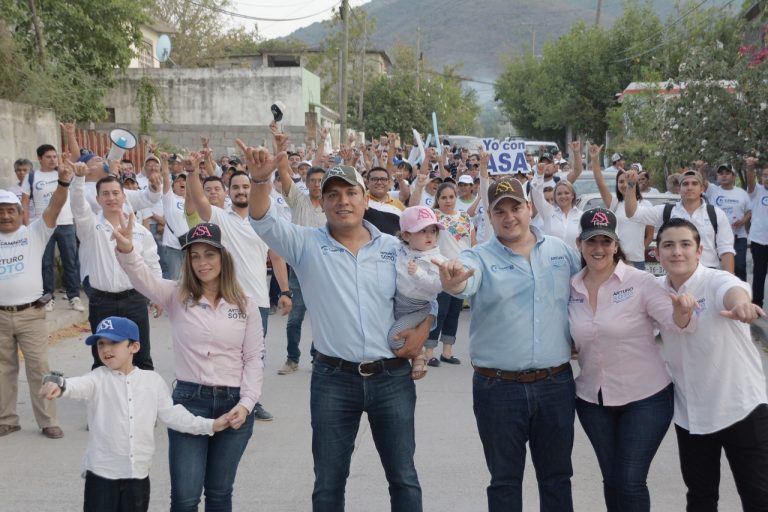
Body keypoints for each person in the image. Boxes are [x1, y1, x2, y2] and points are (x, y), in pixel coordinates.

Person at [246, 147, 432, 511]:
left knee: (404, 479)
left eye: (350, 193)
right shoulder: (305, 245)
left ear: (365, 200)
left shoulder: (394, 248)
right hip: (334, 379)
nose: (342, 201)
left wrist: (423, 331)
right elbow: (263, 219)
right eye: (333, 194)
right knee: (329, 483)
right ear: (323, 202)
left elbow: (425, 295)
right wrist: (259, 180)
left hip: (391, 379)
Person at [436, 177, 581, 512]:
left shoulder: (562, 253)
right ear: (489, 215)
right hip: (498, 389)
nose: (509, 216)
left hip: (555, 384)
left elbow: (585, 296)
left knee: (557, 478)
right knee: (504, 481)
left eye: (515, 207)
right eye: (499, 210)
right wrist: (454, 282)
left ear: (529, 208)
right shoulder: (478, 256)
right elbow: (464, 281)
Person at [113, 220, 264, 512]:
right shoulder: (176, 295)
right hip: (188, 403)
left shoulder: (246, 304)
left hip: (234, 405)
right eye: (194, 256)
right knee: (185, 498)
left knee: (220, 494)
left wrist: (246, 404)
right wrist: (127, 248)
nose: (201, 262)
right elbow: (141, 276)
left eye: (209, 254)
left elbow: (253, 359)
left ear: (223, 256)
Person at [569, 207, 692, 511]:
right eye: (591, 242)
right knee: (611, 479)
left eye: (605, 242)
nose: (598, 249)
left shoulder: (640, 282)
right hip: (591, 400)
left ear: (616, 245)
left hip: (645, 399)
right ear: (579, 245)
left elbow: (675, 322)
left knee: (629, 479)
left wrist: (682, 312)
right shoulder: (570, 286)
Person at [39, 316, 230, 512]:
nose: (105, 349)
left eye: (114, 342)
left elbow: (172, 414)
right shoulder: (97, 379)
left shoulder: (152, 381)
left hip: (137, 475)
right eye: (101, 343)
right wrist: (58, 383)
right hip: (101, 475)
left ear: (134, 347)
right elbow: (75, 385)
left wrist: (209, 425)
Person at [654, 218, 768, 512]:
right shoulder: (655, 290)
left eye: (685, 245)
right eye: (668, 245)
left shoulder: (715, 280)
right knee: (701, 498)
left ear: (700, 250)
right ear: (657, 253)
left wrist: (742, 304)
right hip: (691, 415)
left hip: (741, 407)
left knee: (758, 496)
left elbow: (735, 289)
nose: (677, 252)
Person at [185, 155, 288, 421]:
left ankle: (252, 401)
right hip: (225, 299)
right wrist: (191, 171)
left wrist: (285, 292)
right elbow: (198, 199)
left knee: (255, 355)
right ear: (229, 192)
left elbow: (276, 258)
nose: (242, 191)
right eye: (236, 188)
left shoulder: (265, 221)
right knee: (226, 353)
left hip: (259, 302)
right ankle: (225, 399)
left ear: (252, 190)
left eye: (246, 187)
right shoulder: (220, 217)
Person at [0, 165, 71, 439]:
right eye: (1, 211)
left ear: (21, 213)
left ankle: (47, 420)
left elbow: (53, 208)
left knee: (39, 367)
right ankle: (7, 419)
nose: (5, 216)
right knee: (3, 370)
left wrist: (63, 183)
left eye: (11, 211)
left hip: (31, 314)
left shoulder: (34, 233)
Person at [69, 161, 161, 371]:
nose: (111, 198)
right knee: (103, 357)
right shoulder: (91, 227)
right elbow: (78, 206)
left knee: (141, 355)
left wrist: (157, 296)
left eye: (115, 193)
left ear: (123, 196)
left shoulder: (140, 231)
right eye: (106, 194)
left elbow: (152, 264)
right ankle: (105, 401)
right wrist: (79, 178)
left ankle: (144, 402)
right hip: (103, 301)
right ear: (98, 199)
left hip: (134, 300)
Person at [625, 169, 735, 272]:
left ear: (702, 189)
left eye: (694, 183)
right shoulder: (667, 211)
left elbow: (726, 249)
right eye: (685, 184)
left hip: (709, 275)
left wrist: (729, 281)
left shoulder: (716, 214)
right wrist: (631, 185)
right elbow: (633, 214)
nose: (690, 187)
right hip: (677, 277)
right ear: (679, 189)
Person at [414, 181, 473, 367]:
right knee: (440, 311)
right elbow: (413, 208)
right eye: (443, 197)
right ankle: (429, 351)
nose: (448, 201)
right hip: (441, 271)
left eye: (451, 197)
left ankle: (447, 351)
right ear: (437, 199)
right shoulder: (433, 218)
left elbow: (472, 243)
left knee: (454, 312)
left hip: (461, 271)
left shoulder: (464, 217)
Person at [21, 143, 83, 312]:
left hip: (66, 223)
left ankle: (74, 296)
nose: (52, 160)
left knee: (70, 261)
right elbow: (25, 202)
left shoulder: (63, 172)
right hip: (43, 226)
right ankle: (48, 296)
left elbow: (77, 159)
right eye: (48, 157)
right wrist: (26, 225)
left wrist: (70, 140)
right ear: (40, 158)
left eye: (54, 156)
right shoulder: (32, 177)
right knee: (45, 262)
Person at [388, 206, 447, 378]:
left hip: (418, 307)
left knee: (394, 338)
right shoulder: (400, 248)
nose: (429, 235)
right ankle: (416, 355)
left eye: (433, 231)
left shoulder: (437, 259)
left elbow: (438, 286)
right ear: (406, 235)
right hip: (399, 303)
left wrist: (419, 274)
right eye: (422, 231)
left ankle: (419, 355)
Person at [590, 144, 654, 270]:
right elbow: (601, 183)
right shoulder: (614, 203)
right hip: (615, 261)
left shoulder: (646, 205)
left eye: (627, 180)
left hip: (637, 262)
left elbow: (649, 235)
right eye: (620, 182)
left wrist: (638, 250)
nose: (624, 185)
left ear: (634, 181)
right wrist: (594, 159)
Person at [703, 163, 751, 281]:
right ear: (717, 177)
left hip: (739, 236)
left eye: (727, 173)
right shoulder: (712, 190)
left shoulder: (741, 193)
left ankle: (741, 293)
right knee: (719, 269)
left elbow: (749, 211)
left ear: (733, 176)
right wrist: (701, 169)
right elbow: (701, 180)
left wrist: (743, 220)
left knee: (740, 266)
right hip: (717, 237)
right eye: (721, 174)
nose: (724, 176)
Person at [747, 157, 768, 307]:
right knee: (759, 273)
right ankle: (757, 303)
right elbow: (750, 182)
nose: (767, 178)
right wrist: (750, 167)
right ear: (761, 177)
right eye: (766, 175)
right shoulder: (757, 191)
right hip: (759, 240)